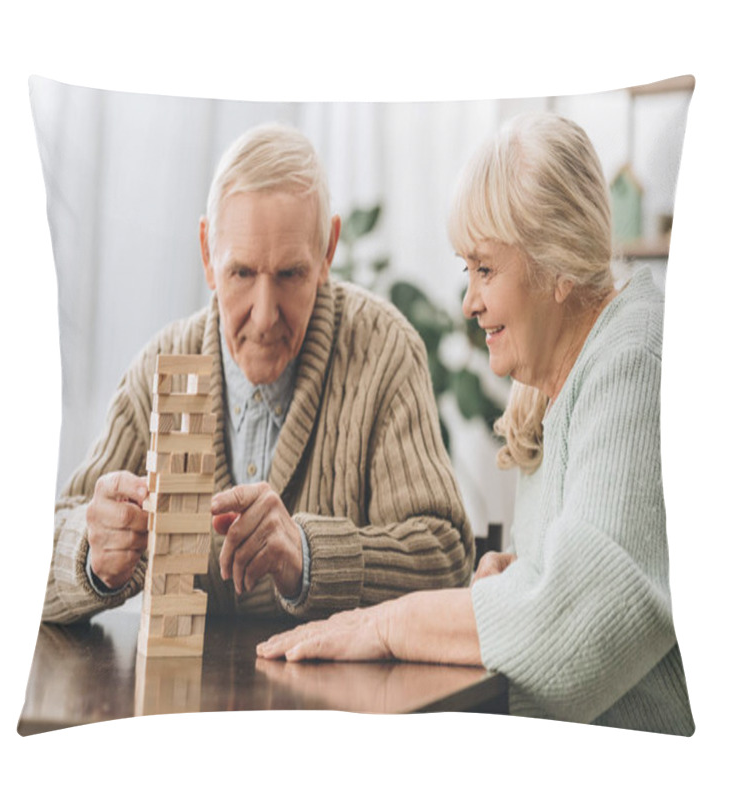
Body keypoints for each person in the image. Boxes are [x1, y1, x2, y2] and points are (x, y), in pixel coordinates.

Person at [257, 113, 695, 736]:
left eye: (486, 269)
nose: (468, 301)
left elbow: (580, 627)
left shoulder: (634, 362)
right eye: (468, 271)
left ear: (560, 263)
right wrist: (521, 581)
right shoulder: (564, 379)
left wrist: (389, 623)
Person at [43, 123, 474, 623]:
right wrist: (91, 559)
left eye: (290, 274)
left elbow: (446, 557)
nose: (265, 315)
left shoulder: (384, 353)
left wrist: (308, 556)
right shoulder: (160, 368)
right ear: (208, 255)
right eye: (242, 273)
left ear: (328, 251)